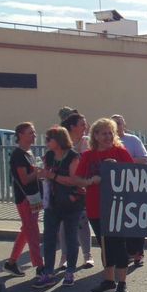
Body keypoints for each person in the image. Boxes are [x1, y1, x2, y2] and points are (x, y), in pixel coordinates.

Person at [76, 118, 134, 292]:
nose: (108, 137)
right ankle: (109, 281)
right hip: (95, 206)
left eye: (111, 133)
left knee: (118, 244)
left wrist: (117, 169)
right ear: (96, 135)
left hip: (118, 206)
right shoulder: (88, 156)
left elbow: (135, 176)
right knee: (104, 246)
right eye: (104, 133)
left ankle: (122, 283)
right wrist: (90, 181)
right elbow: (77, 179)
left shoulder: (121, 153)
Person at [37, 126, 83, 288]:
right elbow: (46, 175)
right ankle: (48, 272)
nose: (47, 142)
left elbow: (74, 180)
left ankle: (70, 271)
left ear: (59, 140)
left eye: (50, 139)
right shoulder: (49, 156)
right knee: (49, 237)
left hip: (71, 202)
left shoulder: (72, 156)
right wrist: (42, 173)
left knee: (71, 237)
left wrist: (52, 175)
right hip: (53, 202)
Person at [5, 122, 44, 278]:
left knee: (27, 230)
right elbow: (24, 179)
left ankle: (12, 262)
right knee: (32, 231)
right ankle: (40, 266)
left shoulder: (29, 152)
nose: (34, 135)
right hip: (25, 198)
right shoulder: (18, 155)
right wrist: (36, 172)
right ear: (20, 135)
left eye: (34, 132)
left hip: (34, 197)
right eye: (30, 133)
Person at [112, 114, 147, 267]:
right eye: (114, 124)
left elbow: (144, 159)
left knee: (137, 219)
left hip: (134, 185)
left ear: (124, 125)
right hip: (116, 187)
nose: (117, 126)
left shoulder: (133, 140)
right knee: (121, 220)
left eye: (119, 123)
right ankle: (126, 252)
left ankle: (138, 253)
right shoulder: (108, 143)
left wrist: (124, 161)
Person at [59, 113, 93, 270]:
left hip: (81, 187)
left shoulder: (87, 142)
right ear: (72, 127)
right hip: (64, 187)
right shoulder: (62, 142)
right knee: (63, 224)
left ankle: (88, 256)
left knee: (83, 222)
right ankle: (64, 257)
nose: (85, 127)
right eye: (82, 124)